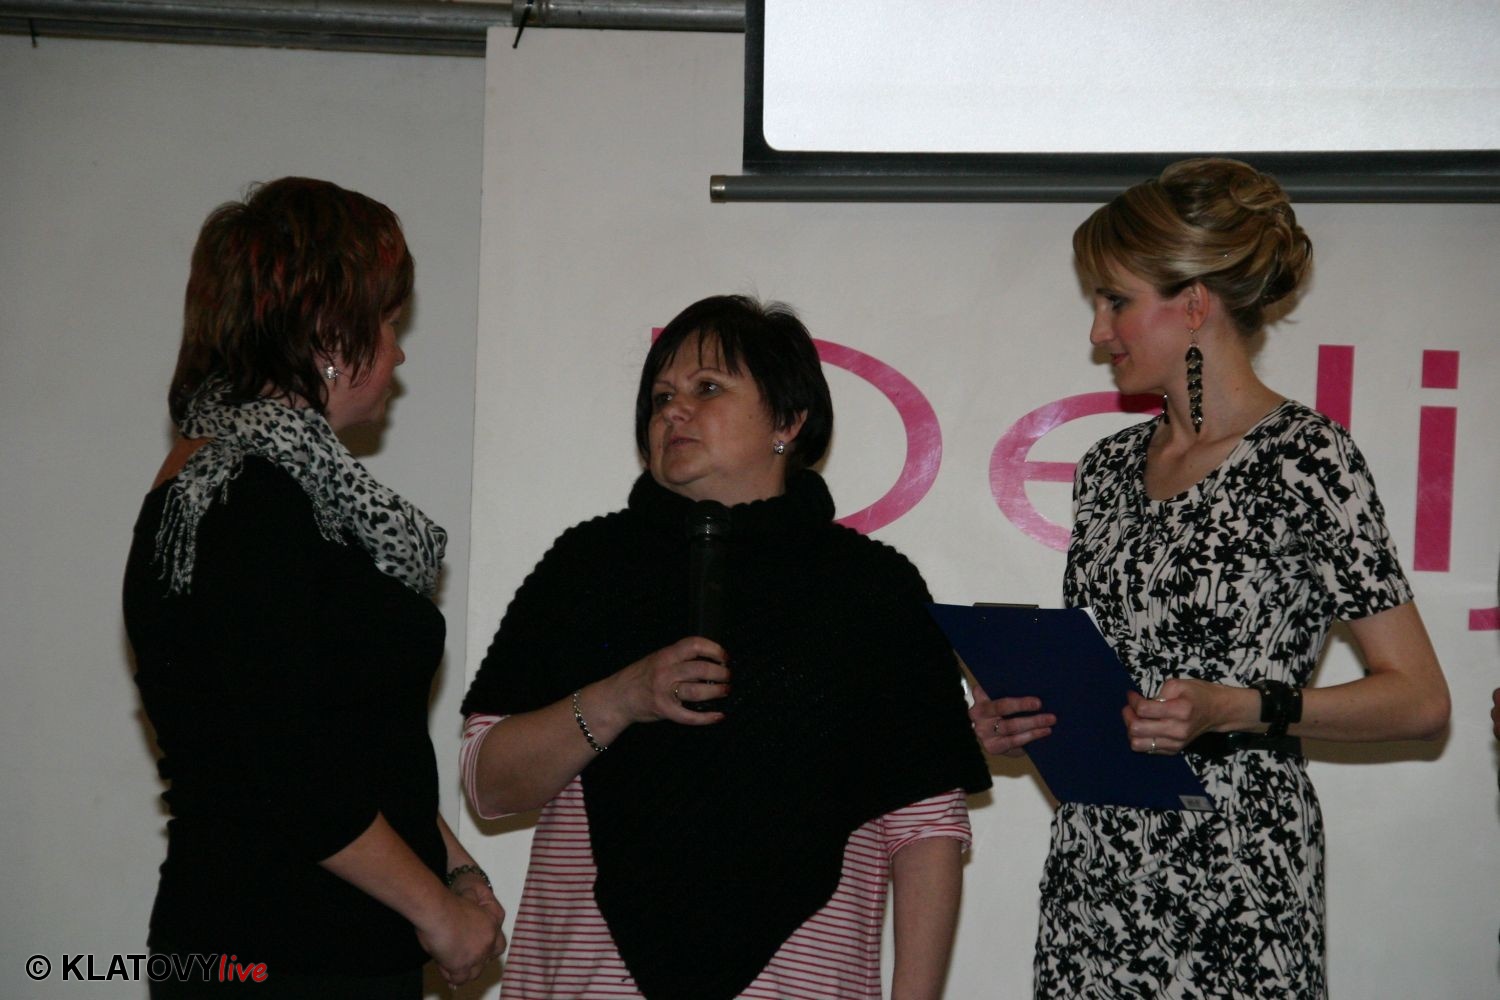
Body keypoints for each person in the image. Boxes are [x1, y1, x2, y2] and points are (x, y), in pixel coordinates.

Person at [970, 158, 1450, 998]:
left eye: (1115, 301)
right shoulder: (1107, 468)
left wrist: (1239, 706)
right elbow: (1110, 673)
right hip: (1098, 862)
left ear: (1194, 303)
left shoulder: (1307, 458)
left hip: (1239, 867)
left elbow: (1420, 700)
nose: (1098, 332)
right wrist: (1026, 714)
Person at [460, 294, 991, 1000]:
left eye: (707, 388)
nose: (674, 412)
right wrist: (621, 697)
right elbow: (486, 782)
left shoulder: (871, 587)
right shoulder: (585, 565)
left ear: (789, 420)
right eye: (661, 397)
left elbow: (925, 822)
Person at [123, 177, 506, 998]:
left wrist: (452, 867)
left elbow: (353, 743)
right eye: (389, 322)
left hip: (320, 950)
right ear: (331, 331)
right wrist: (437, 914)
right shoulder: (238, 496)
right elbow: (289, 772)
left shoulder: (286, 493)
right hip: (277, 957)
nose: (398, 353)